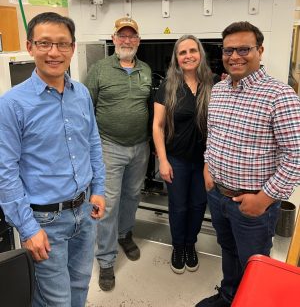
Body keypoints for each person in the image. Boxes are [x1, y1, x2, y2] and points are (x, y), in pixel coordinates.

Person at [0, 12, 106, 307]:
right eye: (45, 43)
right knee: (56, 300)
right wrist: (28, 228)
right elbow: (4, 173)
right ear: (30, 46)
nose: (54, 52)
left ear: (73, 48)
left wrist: (98, 189)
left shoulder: (81, 93)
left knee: (79, 288)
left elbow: (93, 144)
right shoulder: (12, 105)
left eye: (62, 44)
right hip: (44, 220)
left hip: (84, 212)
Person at [195, 21, 300, 307]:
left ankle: (250, 302)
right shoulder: (219, 90)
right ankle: (230, 296)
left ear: (260, 50)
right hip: (218, 195)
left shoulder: (280, 96)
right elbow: (214, 135)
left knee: (254, 262)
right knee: (228, 250)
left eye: (244, 49)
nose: (235, 56)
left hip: (252, 204)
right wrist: (208, 166)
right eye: (229, 50)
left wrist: (265, 199)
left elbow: (296, 155)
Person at [85, 17, 152, 291]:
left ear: (138, 40)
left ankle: (125, 234)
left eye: (132, 36)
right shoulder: (99, 69)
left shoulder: (146, 70)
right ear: (114, 39)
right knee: (107, 203)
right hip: (108, 146)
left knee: (133, 195)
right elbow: (85, 109)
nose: (127, 40)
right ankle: (105, 259)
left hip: (140, 147)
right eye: (122, 36)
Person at [153, 34, 213, 274]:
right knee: (178, 206)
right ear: (176, 59)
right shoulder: (168, 87)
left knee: (198, 205)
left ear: (200, 54)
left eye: (192, 51)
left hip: (205, 162)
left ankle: (191, 244)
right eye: (182, 52)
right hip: (176, 159)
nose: (188, 56)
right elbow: (157, 126)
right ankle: (178, 246)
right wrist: (163, 161)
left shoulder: (215, 84)